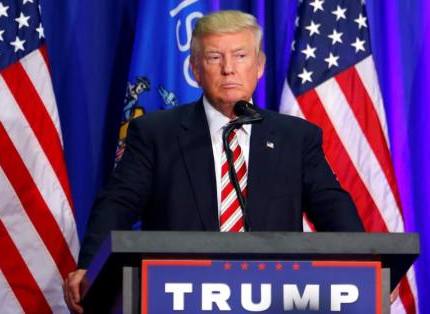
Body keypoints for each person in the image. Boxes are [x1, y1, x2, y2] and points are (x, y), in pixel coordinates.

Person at [64, 10, 364, 313]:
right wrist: (90, 267)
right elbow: (118, 203)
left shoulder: (296, 138)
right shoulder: (157, 134)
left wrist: (366, 267)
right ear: (195, 69)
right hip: (178, 297)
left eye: (241, 56)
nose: (228, 69)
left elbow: (331, 205)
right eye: (214, 58)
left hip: (274, 297)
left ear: (259, 66)